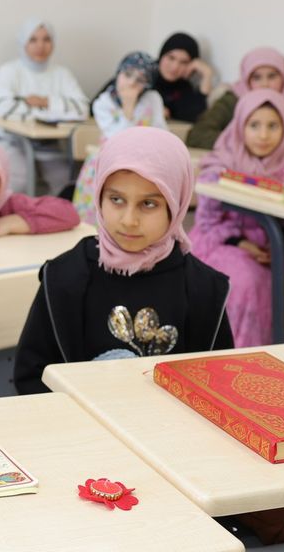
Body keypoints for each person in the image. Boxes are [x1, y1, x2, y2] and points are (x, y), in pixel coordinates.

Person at [14, 127, 233, 394]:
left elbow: (219, 385)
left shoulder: (204, 289)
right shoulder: (63, 278)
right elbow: (31, 376)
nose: (129, 220)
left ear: (176, 205)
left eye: (148, 204)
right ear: (99, 197)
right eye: (116, 199)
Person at [189, 89, 284, 348]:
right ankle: (240, 354)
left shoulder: (283, 167)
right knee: (248, 279)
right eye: (254, 125)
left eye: (273, 126)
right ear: (240, 126)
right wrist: (242, 243)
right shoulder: (219, 166)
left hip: (270, 243)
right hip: (223, 242)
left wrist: (276, 243)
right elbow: (207, 222)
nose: (263, 135)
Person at [0, 19, 89, 195]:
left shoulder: (62, 74)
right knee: (20, 179)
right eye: (33, 40)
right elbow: (1, 109)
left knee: (65, 181)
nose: (40, 46)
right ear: (23, 43)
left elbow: (82, 109)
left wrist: (45, 102)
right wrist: (55, 109)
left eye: (46, 39)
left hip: (48, 144)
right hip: (10, 140)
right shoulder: (8, 71)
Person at [74, 52, 168, 219]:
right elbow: (119, 139)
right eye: (128, 74)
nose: (131, 83)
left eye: (140, 80)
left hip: (143, 165)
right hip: (108, 165)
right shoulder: (103, 103)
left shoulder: (152, 99)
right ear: (118, 73)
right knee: (106, 212)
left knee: (136, 213)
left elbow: (162, 133)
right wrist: (128, 106)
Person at [186, 46, 284, 151]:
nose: (265, 84)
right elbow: (198, 134)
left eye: (272, 76)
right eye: (257, 77)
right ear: (247, 79)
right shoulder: (231, 101)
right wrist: (244, 143)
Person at [153, 32, 216, 123]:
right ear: (162, 55)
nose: (175, 67)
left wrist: (207, 75)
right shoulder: (143, 74)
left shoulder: (183, 86)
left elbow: (197, 116)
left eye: (184, 62)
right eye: (171, 58)